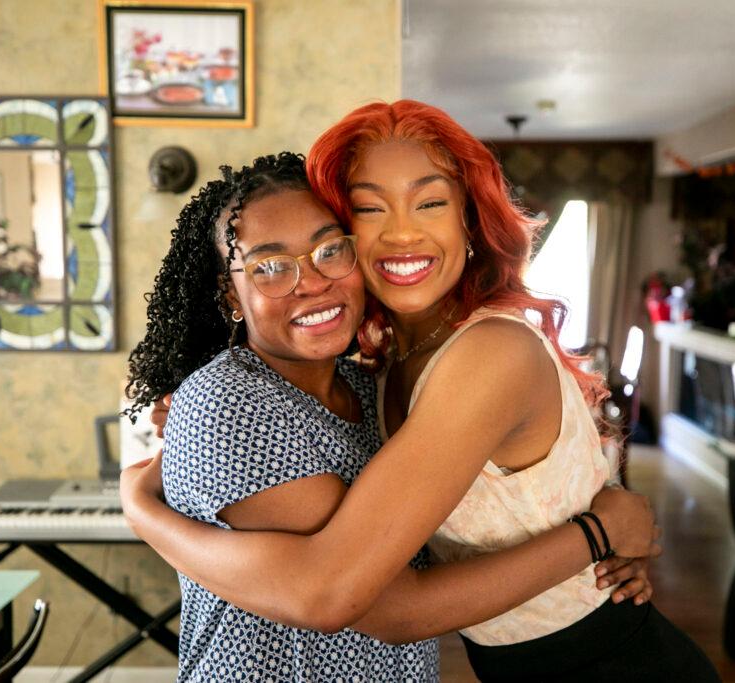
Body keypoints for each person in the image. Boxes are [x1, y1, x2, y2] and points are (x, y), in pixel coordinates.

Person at [124, 150, 659, 682]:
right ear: (231, 296)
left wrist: (604, 535)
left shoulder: (369, 385)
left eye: (330, 250)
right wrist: (597, 532)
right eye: (269, 267)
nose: (310, 282)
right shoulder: (233, 400)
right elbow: (383, 604)